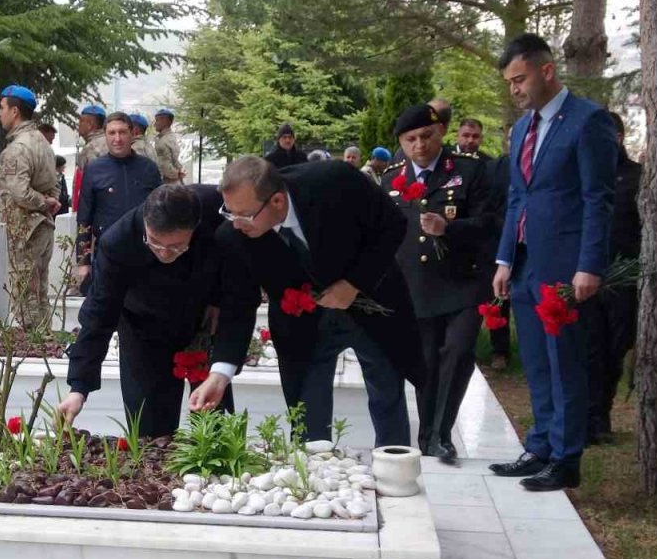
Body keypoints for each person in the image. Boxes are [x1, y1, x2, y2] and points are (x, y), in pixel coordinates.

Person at [191, 156, 425, 447]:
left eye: (245, 215)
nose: (237, 224)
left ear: (276, 201)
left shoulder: (334, 182)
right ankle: (312, 474)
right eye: (230, 212)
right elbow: (238, 306)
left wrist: (354, 284)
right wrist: (220, 374)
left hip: (372, 305)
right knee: (307, 410)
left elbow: (392, 224)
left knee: (387, 393)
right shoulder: (234, 237)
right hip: (304, 325)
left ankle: (394, 467)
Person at [489, 33, 617, 492]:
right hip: (524, 264)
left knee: (565, 362)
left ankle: (566, 457)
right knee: (537, 363)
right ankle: (540, 445)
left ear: (547, 71)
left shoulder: (588, 121)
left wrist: (590, 265)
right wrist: (504, 258)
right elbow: (516, 197)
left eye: (519, 79)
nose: (514, 90)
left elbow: (597, 199)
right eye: (509, 83)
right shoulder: (523, 128)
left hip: (565, 266)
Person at [59, 185, 260, 436]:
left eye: (176, 246)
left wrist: (217, 304)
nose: (165, 253)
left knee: (213, 421)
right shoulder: (118, 242)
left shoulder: (217, 214)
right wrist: (79, 388)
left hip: (202, 319)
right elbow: (99, 314)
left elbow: (240, 293)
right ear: (145, 223)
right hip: (143, 326)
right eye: (154, 242)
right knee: (149, 429)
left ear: (195, 228)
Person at [382, 104, 497, 464]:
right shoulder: (391, 176)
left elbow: (491, 221)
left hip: (463, 281)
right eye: (411, 139)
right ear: (401, 141)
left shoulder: (468, 170)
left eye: (427, 136)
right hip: (417, 285)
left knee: (459, 353)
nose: (420, 145)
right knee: (426, 362)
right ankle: (427, 435)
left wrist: (451, 228)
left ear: (442, 133)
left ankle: (441, 433)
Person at [581, 111, 641, 446]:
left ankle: (602, 412)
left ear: (618, 138)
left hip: (623, 279)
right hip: (587, 277)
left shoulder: (638, 176)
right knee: (590, 348)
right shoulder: (585, 175)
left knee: (614, 349)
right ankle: (590, 418)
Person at [0, 84, 62, 331]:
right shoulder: (42, 143)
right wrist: (49, 203)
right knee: (40, 290)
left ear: (14, 111)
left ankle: (33, 344)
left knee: (24, 292)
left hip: (24, 228)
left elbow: (19, 192)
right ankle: (44, 339)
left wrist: (44, 203)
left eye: (2, 108)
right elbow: (53, 185)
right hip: (41, 226)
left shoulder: (18, 147)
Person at [75, 112, 162, 294]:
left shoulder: (149, 168)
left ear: (132, 133)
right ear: (105, 135)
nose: (117, 138)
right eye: (112, 133)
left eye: (122, 132)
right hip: (107, 254)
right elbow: (84, 219)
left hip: (144, 253)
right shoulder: (94, 170)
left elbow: (161, 212)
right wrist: (83, 262)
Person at [484, 126, 514, 369]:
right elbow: (489, 203)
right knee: (499, 297)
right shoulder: (495, 167)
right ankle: (499, 350)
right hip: (500, 238)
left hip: (533, 240)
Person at [153, 107, 186, 185]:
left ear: (165, 121)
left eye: (157, 120)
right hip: (177, 182)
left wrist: (177, 174)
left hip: (168, 184)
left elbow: (166, 168)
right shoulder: (172, 137)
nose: (155, 124)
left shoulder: (162, 142)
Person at [76, 105, 108, 171]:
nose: (78, 124)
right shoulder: (110, 141)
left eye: (81, 121)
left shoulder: (91, 148)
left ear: (90, 124)